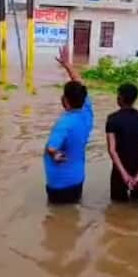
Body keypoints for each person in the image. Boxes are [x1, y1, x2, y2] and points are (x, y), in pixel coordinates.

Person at [44, 46, 94, 205]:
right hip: (77, 178)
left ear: (65, 100)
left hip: (59, 183)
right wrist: (67, 65)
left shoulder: (64, 123)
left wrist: (54, 154)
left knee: (55, 223)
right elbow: (79, 83)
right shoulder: (87, 112)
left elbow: (52, 148)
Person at [106, 83, 138, 202]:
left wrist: (124, 174)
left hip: (119, 172)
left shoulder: (112, 119)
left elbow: (112, 150)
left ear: (120, 98)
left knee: (116, 210)